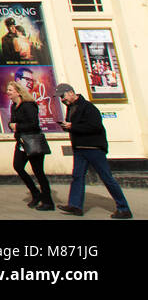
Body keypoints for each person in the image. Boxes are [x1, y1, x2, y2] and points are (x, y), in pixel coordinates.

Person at [55, 83, 133, 219]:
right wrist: (66, 127)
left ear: (71, 92)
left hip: (93, 148)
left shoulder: (88, 107)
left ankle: (124, 208)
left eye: (63, 96)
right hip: (79, 148)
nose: (62, 100)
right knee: (77, 177)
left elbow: (95, 126)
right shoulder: (71, 108)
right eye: (60, 98)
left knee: (107, 177)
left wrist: (73, 126)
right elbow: (75, 127)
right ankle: (75, 206)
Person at [6, 79, 53, 211]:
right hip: (21, 142)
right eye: (8, 90)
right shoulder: (13, 106)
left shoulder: (29, 105)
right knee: (18, 167)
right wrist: (11, 126)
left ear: (18, 92)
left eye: (10, 90)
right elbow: (12, 123)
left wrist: (17, 126)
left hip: (33, 141)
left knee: (38, 172)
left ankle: (48, 201)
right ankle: (35, 193)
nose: (7, 92)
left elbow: (34, 124)